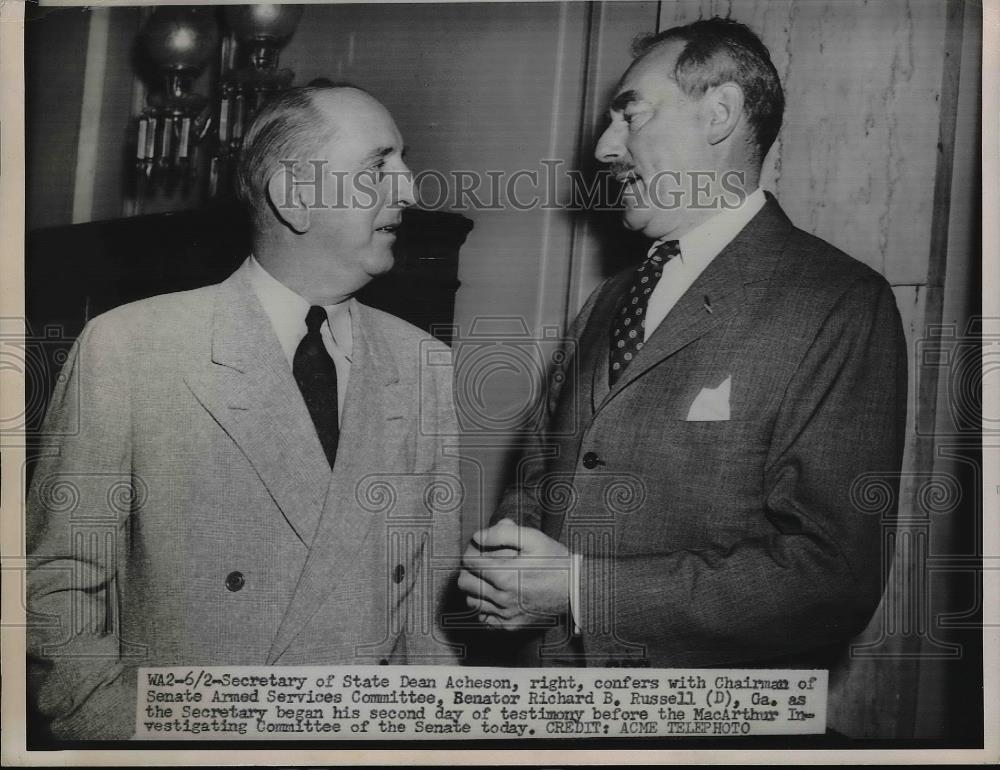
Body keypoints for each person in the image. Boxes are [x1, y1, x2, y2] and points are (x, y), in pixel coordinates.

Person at [460, 18, 907, 669]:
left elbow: (830, 580)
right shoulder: (607, 302)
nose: (605, 148)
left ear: (720, 113)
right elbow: (535, 480)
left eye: (630, 116)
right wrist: (507, 568)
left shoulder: (837, 303)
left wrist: (585, 591)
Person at [26, 86, 461, 740]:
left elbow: (423, 614)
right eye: (378, 167)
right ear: (295, 196)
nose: (410, 189)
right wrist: (122, 730)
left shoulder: (425, 363)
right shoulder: (131, 346)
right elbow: (57, 588)